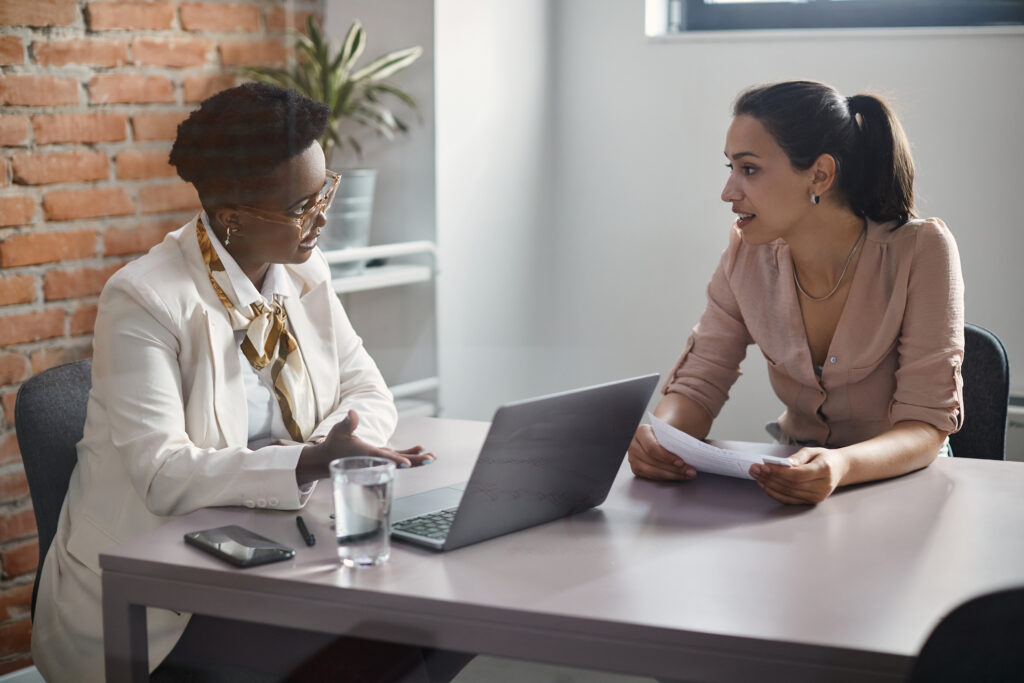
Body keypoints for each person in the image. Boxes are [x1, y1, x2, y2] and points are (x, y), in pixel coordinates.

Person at [31, 83, 465, 682]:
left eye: (324, 192)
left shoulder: (305, 270)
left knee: (434, 631)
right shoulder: (144, 300)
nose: (322, 218)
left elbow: (368, 392)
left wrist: (332, 452)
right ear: (231, 219)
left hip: (276, 553)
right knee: (393, 649)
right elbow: (162, 474)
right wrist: (308, 463)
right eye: (299, 207)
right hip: (161, 596)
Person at [628, 80, 964, 505]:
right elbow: (699, 383)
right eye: (729, 168)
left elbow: (926, 426)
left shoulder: (922, 249)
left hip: (905, 489)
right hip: (793, 489)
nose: (728, 192)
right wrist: (662, 436)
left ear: (820, 175)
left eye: (748, 169)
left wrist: (840, 467)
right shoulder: (745, 253)